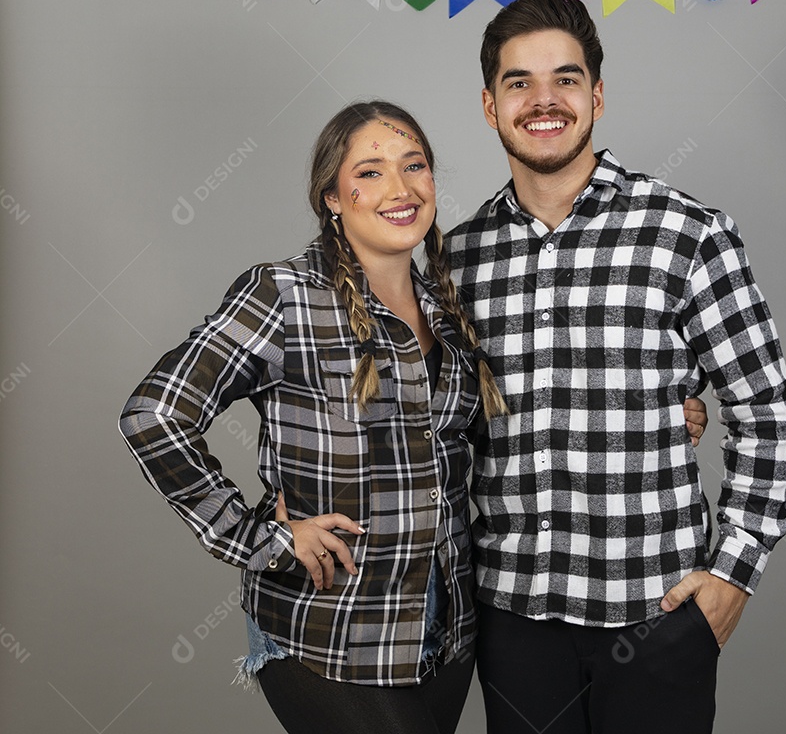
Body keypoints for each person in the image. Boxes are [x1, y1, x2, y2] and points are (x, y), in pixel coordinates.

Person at [445, 0, 786, 734]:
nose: (544, 100)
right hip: (511, 620)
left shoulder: (687, 233)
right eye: (519, 83)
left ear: (597, 95)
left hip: (658, 615)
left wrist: (734, 569)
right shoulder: (456, 259)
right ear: (489, 104)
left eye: (566, 79)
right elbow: (441, 422)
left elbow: (767, 413)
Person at [118, 101, 507, 734]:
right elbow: (154, 414)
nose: (401, 189)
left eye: (415, 166)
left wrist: (656, 408)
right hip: (329, 629)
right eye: (371, 172)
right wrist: (259, 540)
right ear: (332, 195)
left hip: (444, 627)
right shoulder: (285, 294)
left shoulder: (451, 305)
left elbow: (492, 442)